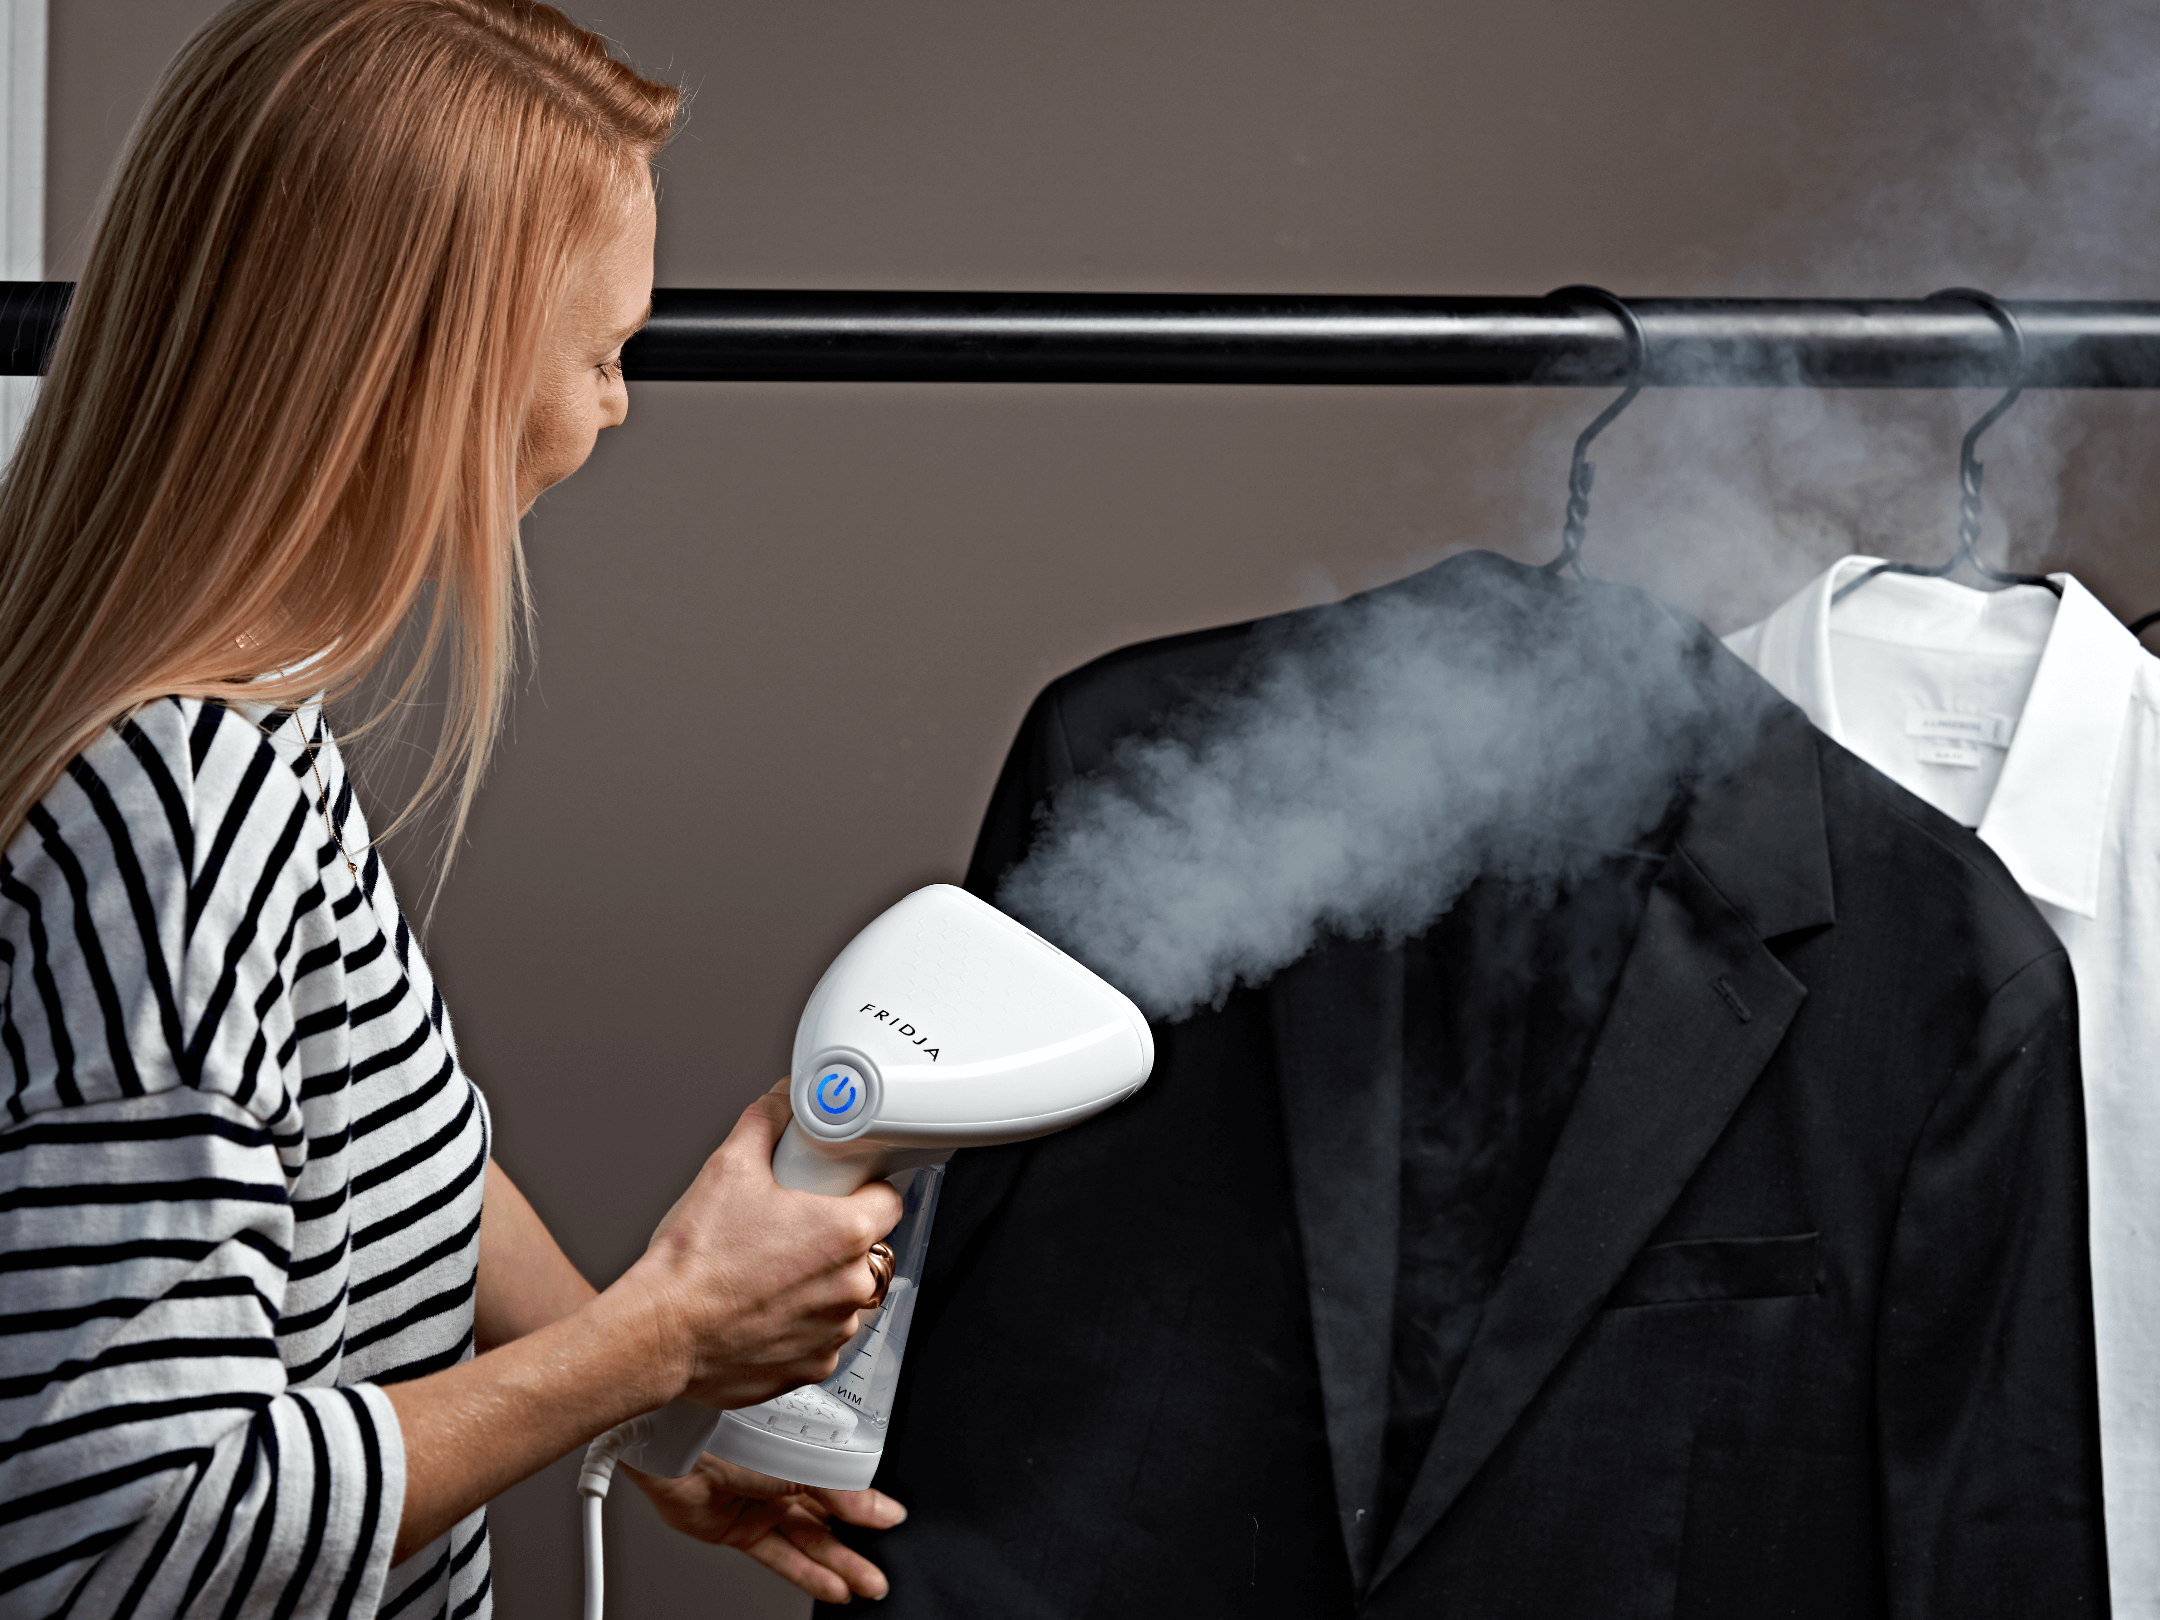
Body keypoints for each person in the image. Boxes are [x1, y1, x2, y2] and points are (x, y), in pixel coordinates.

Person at [0, 2, 907, 1613]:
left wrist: (644, 1405)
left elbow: (388, 1133)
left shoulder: (242, 724)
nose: (617, 409)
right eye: (605, 355)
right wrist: (666, 1333)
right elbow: (140, 1518)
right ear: (433, 372)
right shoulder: (180, 815)